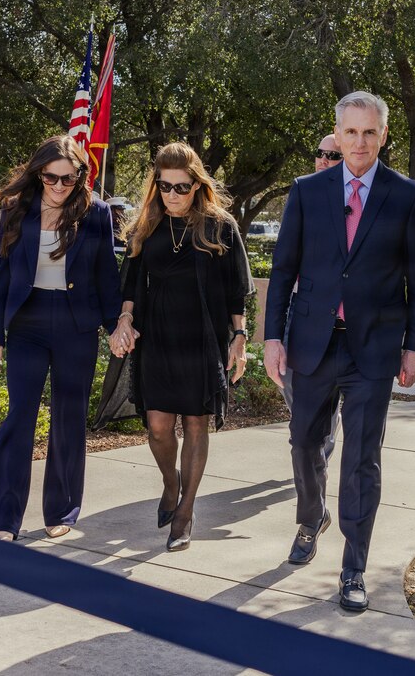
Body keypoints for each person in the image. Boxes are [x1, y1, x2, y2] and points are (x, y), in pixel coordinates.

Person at [264, 91, 415, 612]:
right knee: (304, 444)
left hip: (374, 350)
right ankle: (310, 518)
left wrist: (414, 347)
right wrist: (272, 337)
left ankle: (353, 567)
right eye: (350, 133)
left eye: (370, 133)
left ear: (383, 136)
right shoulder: (307, 192)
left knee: (362, 459)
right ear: (336, 136)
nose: (359, 143)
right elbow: (283, 271)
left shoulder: (406, 195)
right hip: (312, 343)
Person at [0, 136, 121, 542]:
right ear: (39, 173)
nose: (58, 186)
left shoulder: (96, 213)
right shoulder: (17, 210)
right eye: (51, 178)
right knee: (19, 416)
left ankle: (62, 511)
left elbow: (108, 277)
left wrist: (116, 327)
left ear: (80, 177)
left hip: (77, 327)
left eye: (68, 179)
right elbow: (1, 274)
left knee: (69, 418)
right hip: (28, 323)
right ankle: (0, 518)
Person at [109, 142, 252, 553]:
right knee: (157, 425)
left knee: (195, 423)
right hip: (158, 335)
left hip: (202, 337)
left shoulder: (220, 226)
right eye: (165, 186)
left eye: (182, 187)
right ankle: (171, 484)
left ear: (197, 186)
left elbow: (234, 294)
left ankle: (185, 512)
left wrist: (238, 340)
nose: (172, 194)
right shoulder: (147, 225)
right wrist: (125, 320)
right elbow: (133, 284)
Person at [280, 133, 345, 459]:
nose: (323, 160)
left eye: (332, 156)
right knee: (288, 381)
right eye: (319, 153)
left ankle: (317, 454)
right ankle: (310, 433)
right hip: (298, 309)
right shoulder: (303, 193)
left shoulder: (353, 202)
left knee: (325, 392)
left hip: (335, 318)